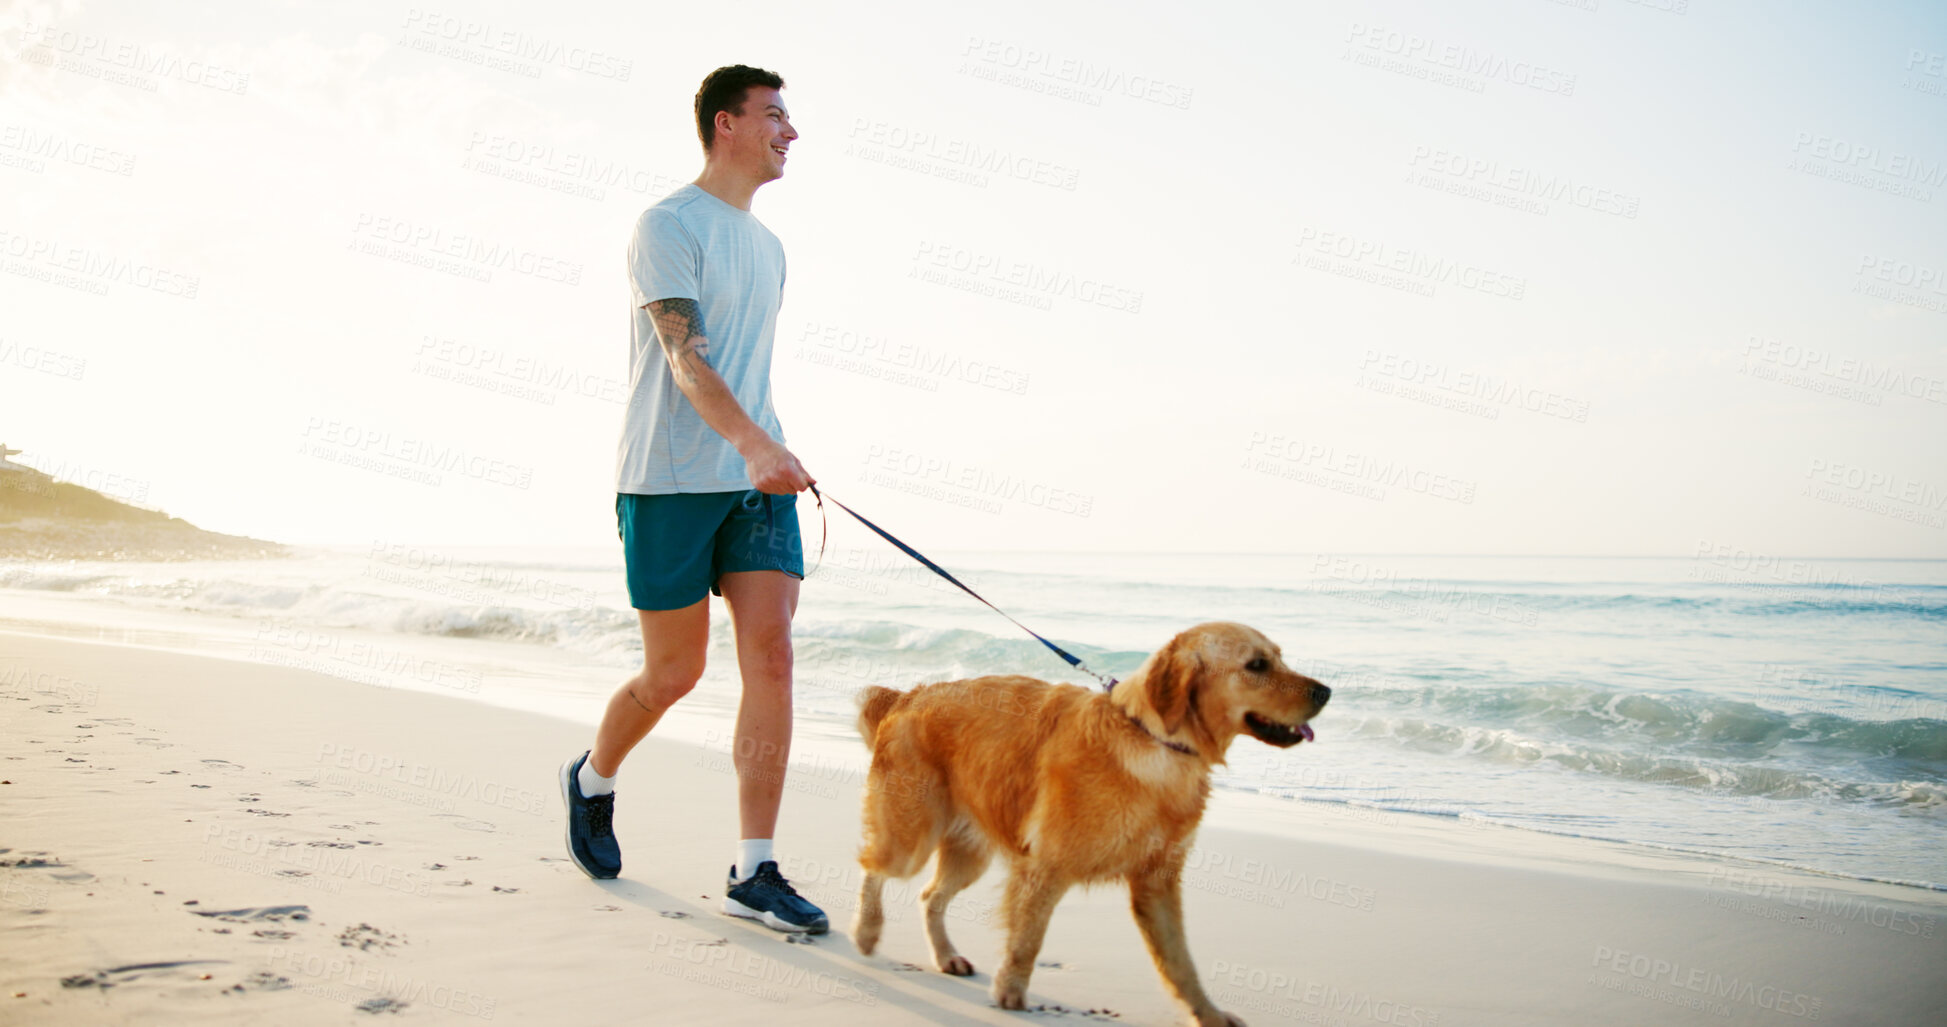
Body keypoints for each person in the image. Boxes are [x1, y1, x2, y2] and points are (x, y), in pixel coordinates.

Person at [559, 64, 825, 934]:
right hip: (670, 476)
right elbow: (685, 356)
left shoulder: (773, 246)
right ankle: (593, 776)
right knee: (676, 671)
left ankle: (755, 869)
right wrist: (750, 443)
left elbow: (747, 367)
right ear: (725, 124)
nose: (790, 132)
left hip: (754, 485)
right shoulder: (667, 225)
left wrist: (767, 444)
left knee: (773, 655)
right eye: (774, 115)